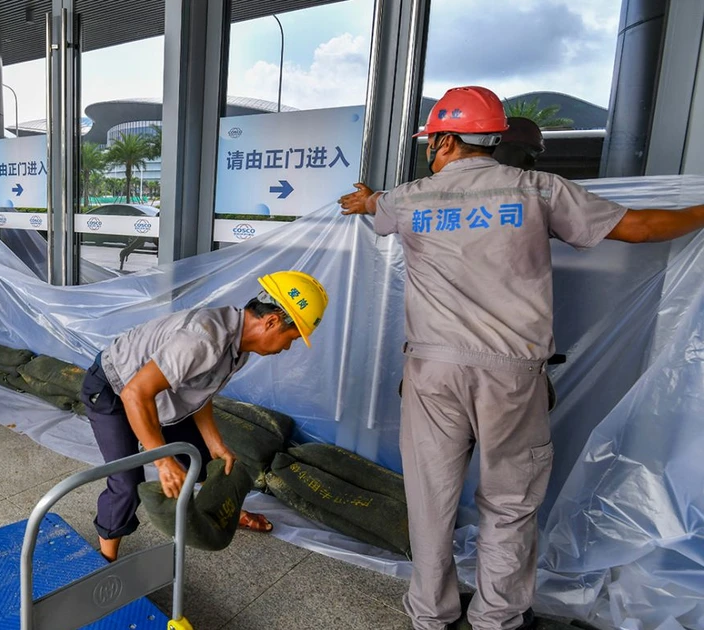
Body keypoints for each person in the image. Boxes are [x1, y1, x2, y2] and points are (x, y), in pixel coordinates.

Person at [338, 85, 704, 630]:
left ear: (443, 140)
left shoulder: (410, 198)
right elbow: (642, 228)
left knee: (430, 498)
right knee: (509, 502)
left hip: (432, 371)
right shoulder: (538, 190)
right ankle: (496, 619)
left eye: (431, 142)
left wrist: (366, 198)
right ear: (493, 141)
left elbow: (374, 206)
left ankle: (429, 615)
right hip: (510, 374)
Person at [82, 271, 329, 562]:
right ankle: (106, 559)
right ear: (272, 321)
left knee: (207, 460)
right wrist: (162, 460)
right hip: (114, 388)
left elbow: (199, 391)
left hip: (153, 395)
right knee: (126, 484)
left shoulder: (237, 347)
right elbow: (135, 395)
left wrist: (214, 443)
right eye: (292, 338)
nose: (287, 347)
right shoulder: (204, 340)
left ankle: (215, 512)